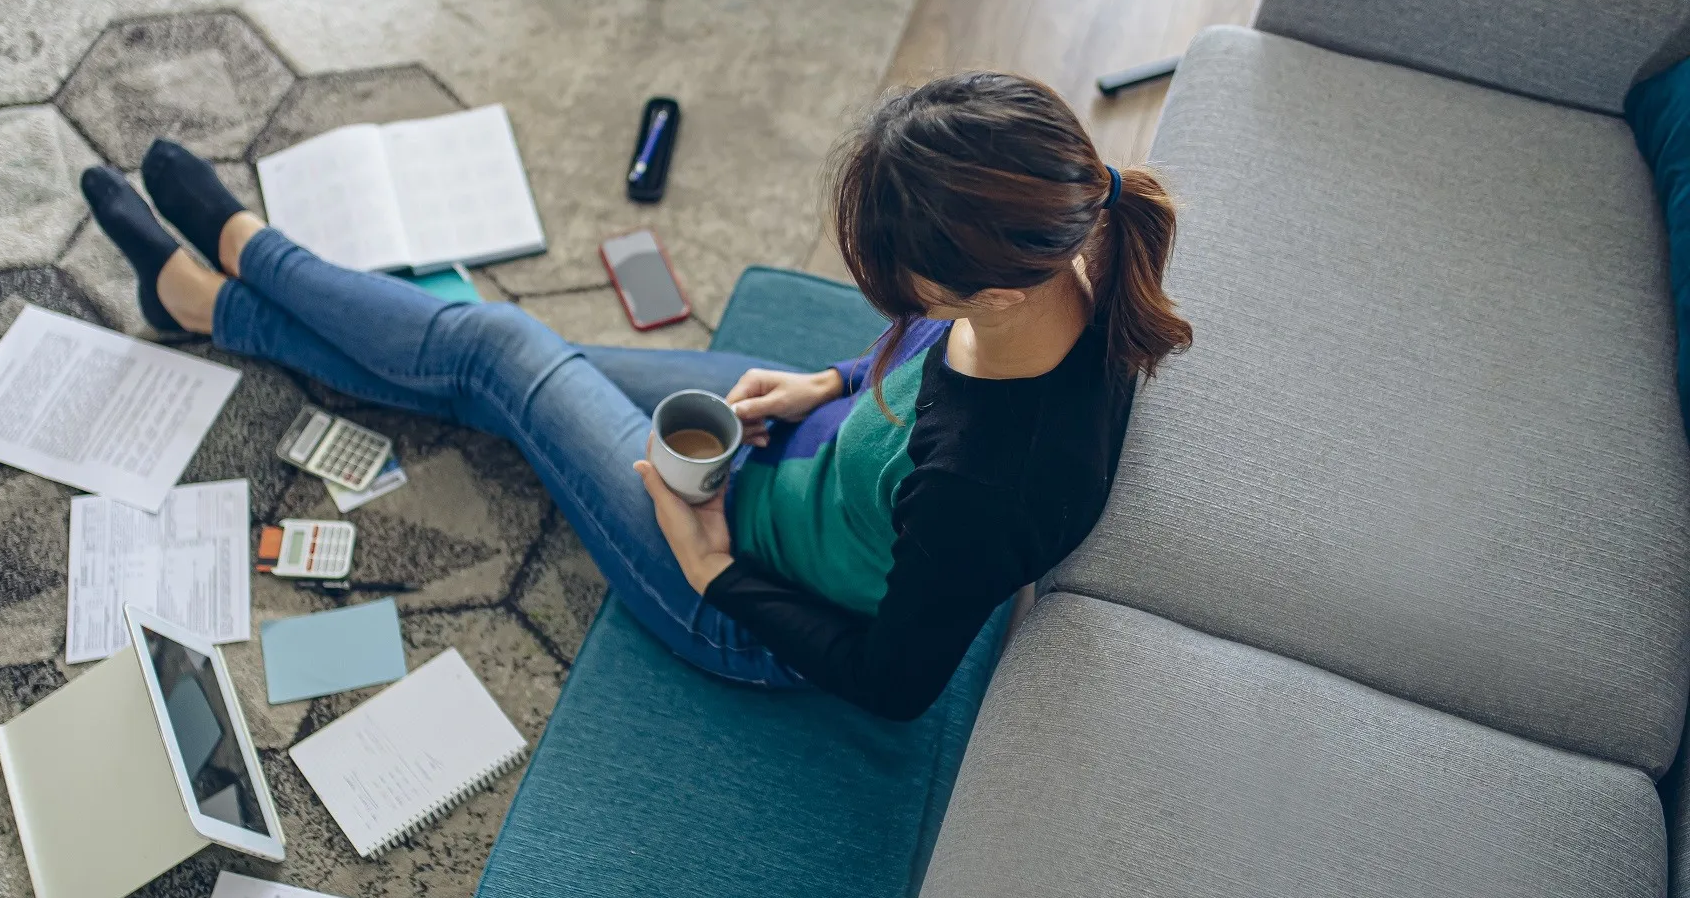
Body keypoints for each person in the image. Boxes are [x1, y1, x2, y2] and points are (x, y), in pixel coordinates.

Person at [79, 71, 1191, 721]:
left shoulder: (987, 490)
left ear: (987, 288)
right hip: (806, 449)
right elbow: (931, 375)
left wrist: (710, 566)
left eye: (911, 291)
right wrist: (835, 380)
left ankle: (240, 257)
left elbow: (898, 685)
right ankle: (208, 300)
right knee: (488, 360)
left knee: (502, 352)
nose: (895, 309)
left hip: (736, 587)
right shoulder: (1075, 246)